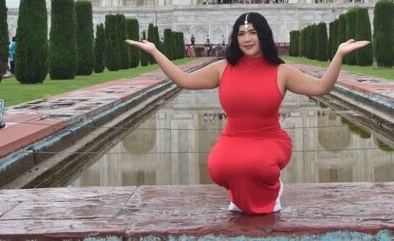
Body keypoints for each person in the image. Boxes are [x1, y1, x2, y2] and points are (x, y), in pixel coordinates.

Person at [126, 12, 368, 215]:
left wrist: (339, 54)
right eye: (241, 34)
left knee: (256, 164)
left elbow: (321, 88)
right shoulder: (223, 68)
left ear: (263, 35)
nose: (247, 39)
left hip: (270, 138)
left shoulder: (281, 71)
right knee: (218, 167)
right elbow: (183, 80)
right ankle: (240, 197)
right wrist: (155, 51)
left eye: (252, 32)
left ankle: (273, 191)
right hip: (234, 136)